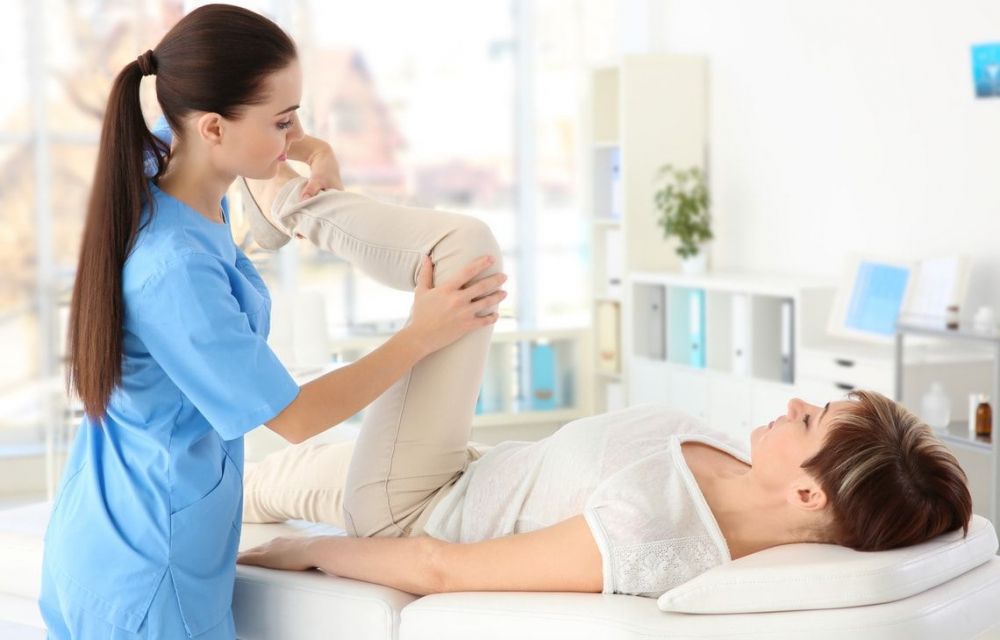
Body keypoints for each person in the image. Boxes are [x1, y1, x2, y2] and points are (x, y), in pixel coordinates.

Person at [236, 161, 974, 598]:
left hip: (414, 507)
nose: (795, 403)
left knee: (467, 253)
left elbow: (442, 569)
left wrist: (308, 552)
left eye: (811, 421)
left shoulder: (655, 530)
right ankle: (265, 213)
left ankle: (288, 204)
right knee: (252, 488)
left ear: (809, 495)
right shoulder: (745, 469)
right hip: (464, 471)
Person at [40, 5, 506, 639]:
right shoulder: (175, 270)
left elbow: (253, 155)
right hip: (150, 570)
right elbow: (296, 419)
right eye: (282, 121)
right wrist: (420, 335)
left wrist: (312, 150)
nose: (293, 135)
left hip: (102, 533)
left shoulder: (166, 164)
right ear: (213, 128)